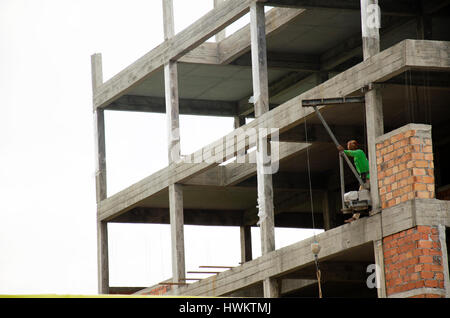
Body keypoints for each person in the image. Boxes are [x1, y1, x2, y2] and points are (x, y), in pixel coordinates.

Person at [337, 140, 370, 223]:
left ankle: (356, 216)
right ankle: (355, 216)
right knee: (361, 196)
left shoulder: (359, 152)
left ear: (355, 146)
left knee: (362, 195)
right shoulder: (356, 156)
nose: (349, 146)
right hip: (364, 178)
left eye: (350, 145)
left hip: (368, 178)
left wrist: (343, 151)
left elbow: (351, 153)